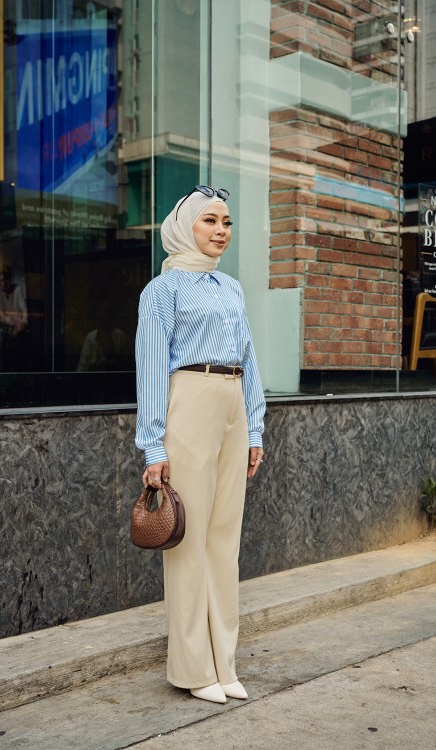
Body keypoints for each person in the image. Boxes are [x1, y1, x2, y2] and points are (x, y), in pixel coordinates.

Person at [135, 186, 266, 705]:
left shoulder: (232, 288)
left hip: (234, 402)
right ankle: (192, 667)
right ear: (185, 226)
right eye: (209, 220)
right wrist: (153, 446)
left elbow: (250, 358)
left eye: (227, 222)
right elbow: (149, 369)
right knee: (187, 545)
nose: (220, 231)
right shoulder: (161, 291)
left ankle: (224, 661)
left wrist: (254, 429)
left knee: (224, 542)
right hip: (187, 402)